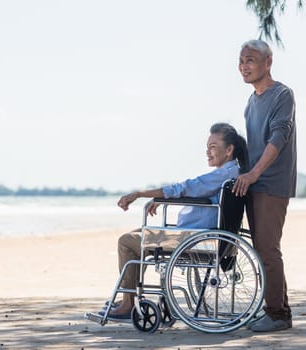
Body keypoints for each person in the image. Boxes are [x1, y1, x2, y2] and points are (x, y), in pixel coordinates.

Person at [106, 123, 248, 319]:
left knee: (126, 241)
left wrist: (140, 194)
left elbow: (185, 188)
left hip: (196, 239)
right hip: (204, 235)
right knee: (139, 233)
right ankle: (128, 298)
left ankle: (128, 302)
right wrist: (159, 198)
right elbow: (189, 190)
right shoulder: (234, 173)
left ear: (229, 150)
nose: (208, 152)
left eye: (213, 147)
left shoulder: (223, 175)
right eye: (207, 147)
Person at [233, 39, 297, 332]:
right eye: (241, 61)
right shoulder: (251, 101)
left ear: (267, 62)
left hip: (271, 183)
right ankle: (278, 310)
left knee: (268, 249)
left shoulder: (282, 95)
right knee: (263, 249)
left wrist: (255, 174)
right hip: (252, 183)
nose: (243, 66)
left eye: (250, 60)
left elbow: (277, 139)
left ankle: (277, 315)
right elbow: (252, 146)